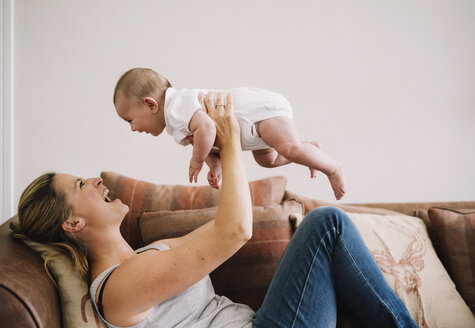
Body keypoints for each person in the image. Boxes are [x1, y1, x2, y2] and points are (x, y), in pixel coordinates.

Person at [11, 93, 416, 328]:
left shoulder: (143, 256)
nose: (96, 180)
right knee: (326, 224)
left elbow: (225, 227)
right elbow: (234, 232)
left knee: (328, 229)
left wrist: (223, 151)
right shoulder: (115, 290)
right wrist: (230, 136)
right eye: (81, 185)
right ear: (72, 222)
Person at [113, 68, 346, 200]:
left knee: (289, 149)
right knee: (268, 159)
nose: (133, 128)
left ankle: (333, 167)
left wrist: (196, 160)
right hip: (252, 130)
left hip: (257, 113)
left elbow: (208, 128)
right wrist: (214, 166)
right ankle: (309, 149)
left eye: (130, 120)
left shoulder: (176, 106)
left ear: (151, 104)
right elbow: (209, 141)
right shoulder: (176, 122)